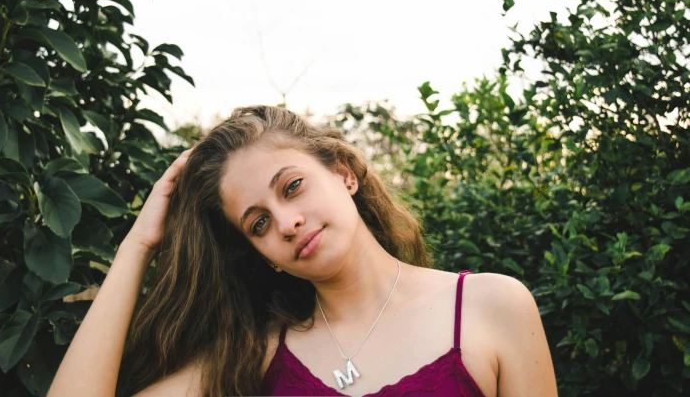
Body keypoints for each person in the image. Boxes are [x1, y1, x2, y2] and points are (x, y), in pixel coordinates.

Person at [46, 105, 558, 397]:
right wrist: (139, 246)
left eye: (292, 187)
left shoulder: (492, 308)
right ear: (262, 253)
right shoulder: (252, 358)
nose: (287, 223)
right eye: (259, 222)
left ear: (343, 173)